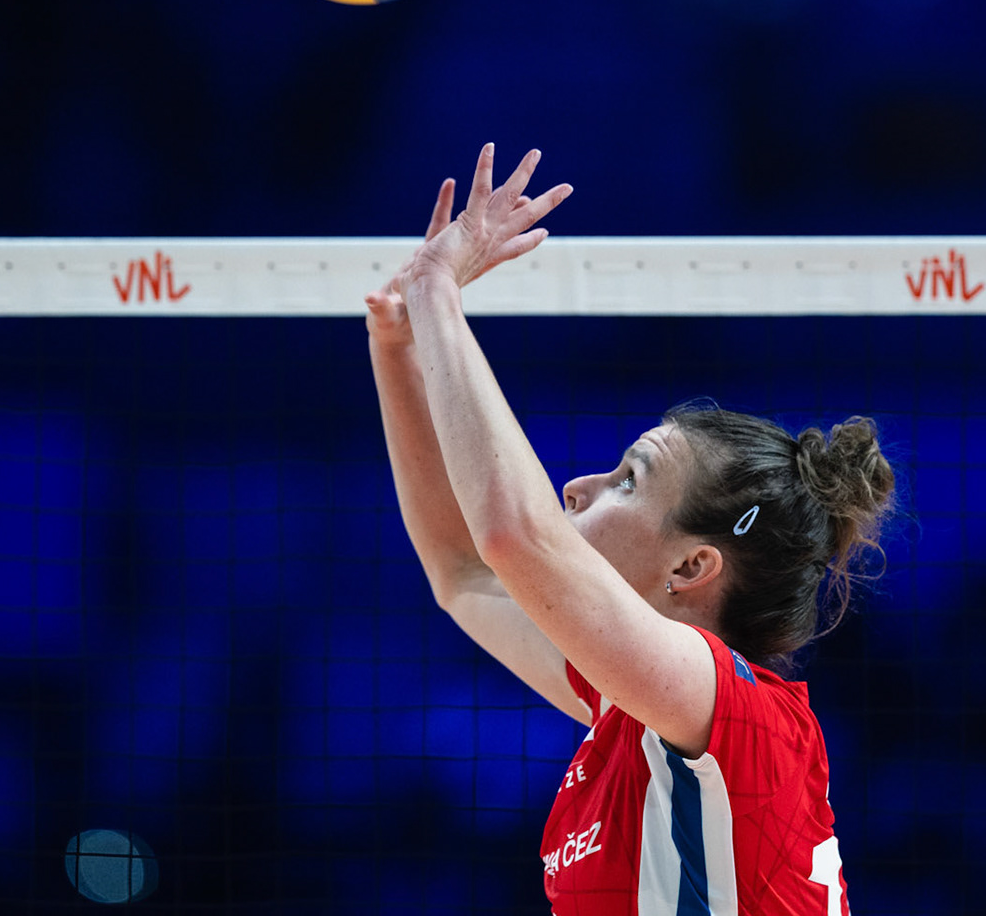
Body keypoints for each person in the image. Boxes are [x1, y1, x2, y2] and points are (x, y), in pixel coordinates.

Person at [365, 145, 897, 916]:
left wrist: (438, 291)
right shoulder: (632, 706)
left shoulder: (735, 715)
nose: (577, 487)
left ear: (691, 567)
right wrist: (401, 349)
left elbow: (514, 538)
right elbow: (465, 572)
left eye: (628, 479)